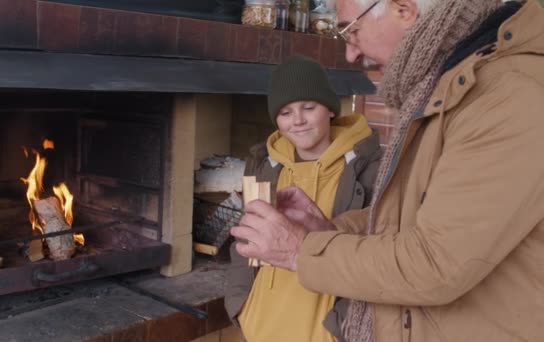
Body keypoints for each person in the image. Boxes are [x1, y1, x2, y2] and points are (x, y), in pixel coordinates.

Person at [230, 0, 544, 341]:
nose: (350, 53)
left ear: (402, 9)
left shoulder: (505, 95)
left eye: (351, 30)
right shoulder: (450, 86)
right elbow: (415, 217)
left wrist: (300, 249)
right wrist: (330, 228)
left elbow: (434, 264)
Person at [224, 55, 381, 342]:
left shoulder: (371, 165)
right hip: (261, 325)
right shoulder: (263, 162)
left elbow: (380, 248)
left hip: (327, 328)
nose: (297, 120)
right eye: (285, 112)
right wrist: (240, 305)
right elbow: (244, 239)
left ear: (330, 110)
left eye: (309, 107)